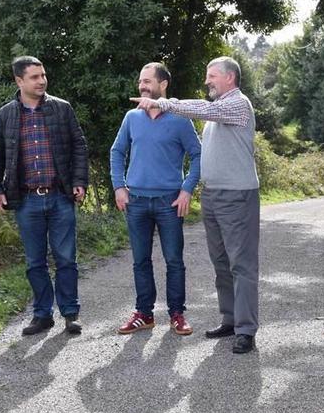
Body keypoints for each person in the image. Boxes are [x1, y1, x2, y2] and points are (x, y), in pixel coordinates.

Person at [131, 56, 260, 354]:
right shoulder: (218, 112)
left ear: (229, 78)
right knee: (221, 263)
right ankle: (230, 319)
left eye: (212, 76)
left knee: (242, 264)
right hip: (214, 196)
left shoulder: (238, 105)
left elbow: (205, 109)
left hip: (238, 195)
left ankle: (246, 330)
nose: (207, 81)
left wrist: (164, 104)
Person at [0, 56, 89, 336]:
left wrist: (79, 181)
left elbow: (79, 146)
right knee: (35, 262)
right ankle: (42, 315)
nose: (42, 80)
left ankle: (70, 314)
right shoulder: (5, 115)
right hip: (26, 200)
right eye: (34, 77)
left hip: (59, 197)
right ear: (19, 81)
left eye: (43, 75)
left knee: (66, 258)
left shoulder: (61, 109)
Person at [110, 62, 202, 336]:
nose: (142, 86)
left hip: (169, 202)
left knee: (174, 260)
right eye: (141, 81)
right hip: (136, 201)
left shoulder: (180, 119)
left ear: (163, 85)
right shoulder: (131, 118)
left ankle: (177, 314)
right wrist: (119, 186)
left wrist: (187, 189)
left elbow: (198, 154)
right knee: (140, 260)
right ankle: (144, 313)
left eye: (148, 81)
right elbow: (117, 152)